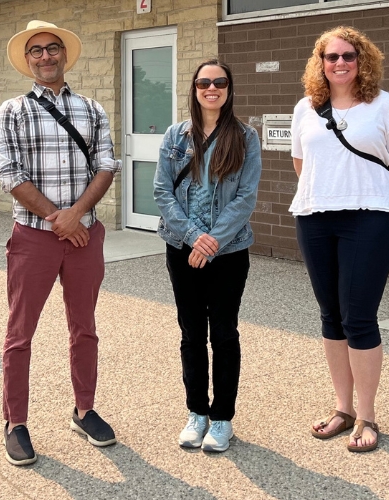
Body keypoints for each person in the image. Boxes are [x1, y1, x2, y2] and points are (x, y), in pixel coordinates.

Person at [0, 20, 122, 466]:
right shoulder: (12, 111)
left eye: (52, 49)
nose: (45, 56)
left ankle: (84, 409)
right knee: (20, 333)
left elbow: (107, 165)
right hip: (34, 236)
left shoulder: (92, 109)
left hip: (84, 235)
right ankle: (15, 422)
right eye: (36, 51)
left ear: (64, 55)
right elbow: (10, 174)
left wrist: (74, 217)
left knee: (84, 327)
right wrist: (57, 218)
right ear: (27, 61)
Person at [290, 26, 389, 453]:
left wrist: (379, 205)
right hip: (315, 218)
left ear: (362, 60)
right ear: (319, 63)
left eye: (348, 56)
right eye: (331, 57)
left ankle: (367, 415)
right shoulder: (306, 107)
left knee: (359, 317)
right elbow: (300, 163)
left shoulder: (384, 105)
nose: (339, 63)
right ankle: (342, 409)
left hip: (370, 219)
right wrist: (326, 196)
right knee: (331, 316)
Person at [153, 60, 262, 453]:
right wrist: (194, 237)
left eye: (219, 82)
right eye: (204, 82)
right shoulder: (175, 135)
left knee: (224, 333)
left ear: (229, 88)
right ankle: (196, 412)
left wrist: (212, 241)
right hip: (182, 248)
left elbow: (246, 197)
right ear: (194, 88)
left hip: (228, 252)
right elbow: (162, 192)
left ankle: (222, 419)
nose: (211, 88)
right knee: (192, 333)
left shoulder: (246, 137)